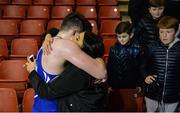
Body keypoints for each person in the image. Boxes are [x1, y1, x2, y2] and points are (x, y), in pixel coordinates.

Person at [25, 12, 106, 112]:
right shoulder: (66, 46)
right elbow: (101, 73)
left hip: (38, 107)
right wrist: (99, 59)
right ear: (75, 33)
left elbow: (52, 31)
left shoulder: (48, 43)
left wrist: (48, 35)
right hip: (53, 108)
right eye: (79, 37)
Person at [106, 21, 145, 111]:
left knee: (130, 107)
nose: (121, 39)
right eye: (119, 37)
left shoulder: (138, 49)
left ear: (131, 35)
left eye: (124, 36)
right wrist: (109, 83)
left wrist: (139, 84)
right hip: (116, 85)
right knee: (116, 107)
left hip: (132, 85)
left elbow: (141, 69)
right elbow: (110, 67)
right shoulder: (113, 49)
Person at [144, 16, 180, 112]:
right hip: (152, 96)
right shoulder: (151, 47)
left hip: (172, 97)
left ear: (176, 33)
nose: (164, 36)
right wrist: (146, 76)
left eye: (168, 32)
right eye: (161, 32)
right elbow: (142, 65)